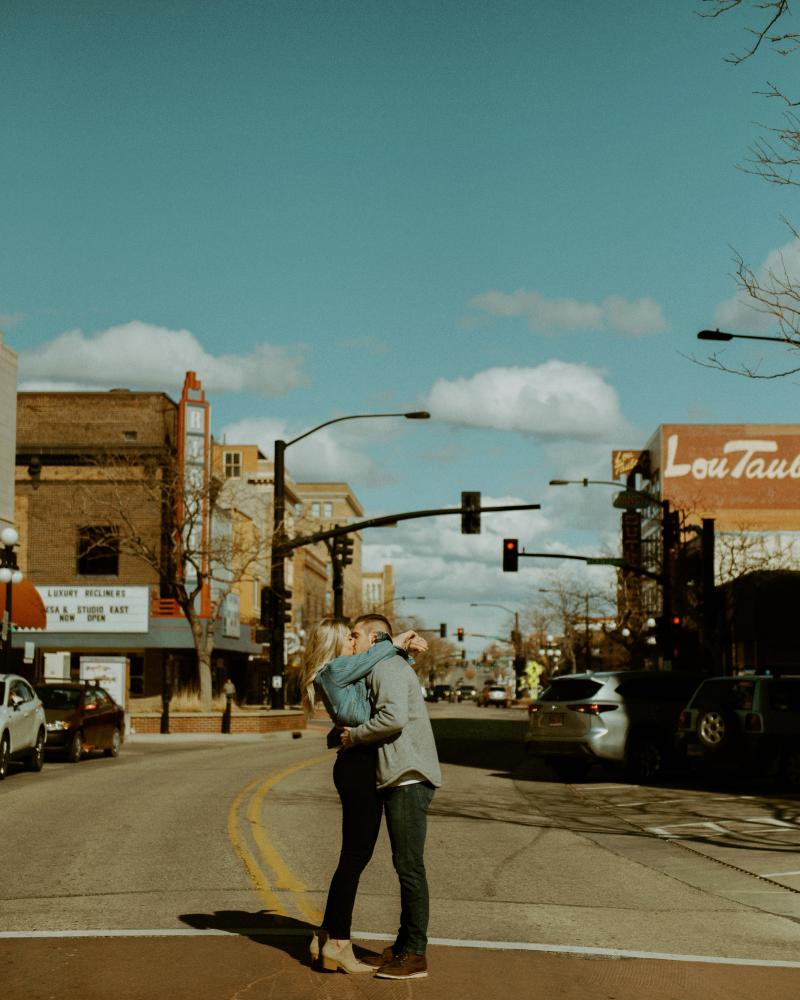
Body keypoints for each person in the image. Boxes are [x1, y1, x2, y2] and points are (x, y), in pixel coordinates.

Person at [299, 617, 426, 975]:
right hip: (356, 768)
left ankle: (326, 934)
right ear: (338, 643)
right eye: (350, 637)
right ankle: (338, 943)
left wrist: (403, 652)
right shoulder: (333, 671)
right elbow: (377, 709)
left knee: (354, 856)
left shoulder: (346, 670)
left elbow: (380, 678)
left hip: (359, 765)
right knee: (355, 857)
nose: (356, 642)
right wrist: (396, 641)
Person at [341, 613, 442, 981]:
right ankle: (403, 947)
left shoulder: (386, 668)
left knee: (409, 867)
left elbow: (394, 718)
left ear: (373, 637)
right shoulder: (389, 664)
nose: (352, 641)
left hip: (408, 777)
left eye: (356, 635)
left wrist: (356, 735)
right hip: (403, 775)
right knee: (406, 865)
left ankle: (415, 954)